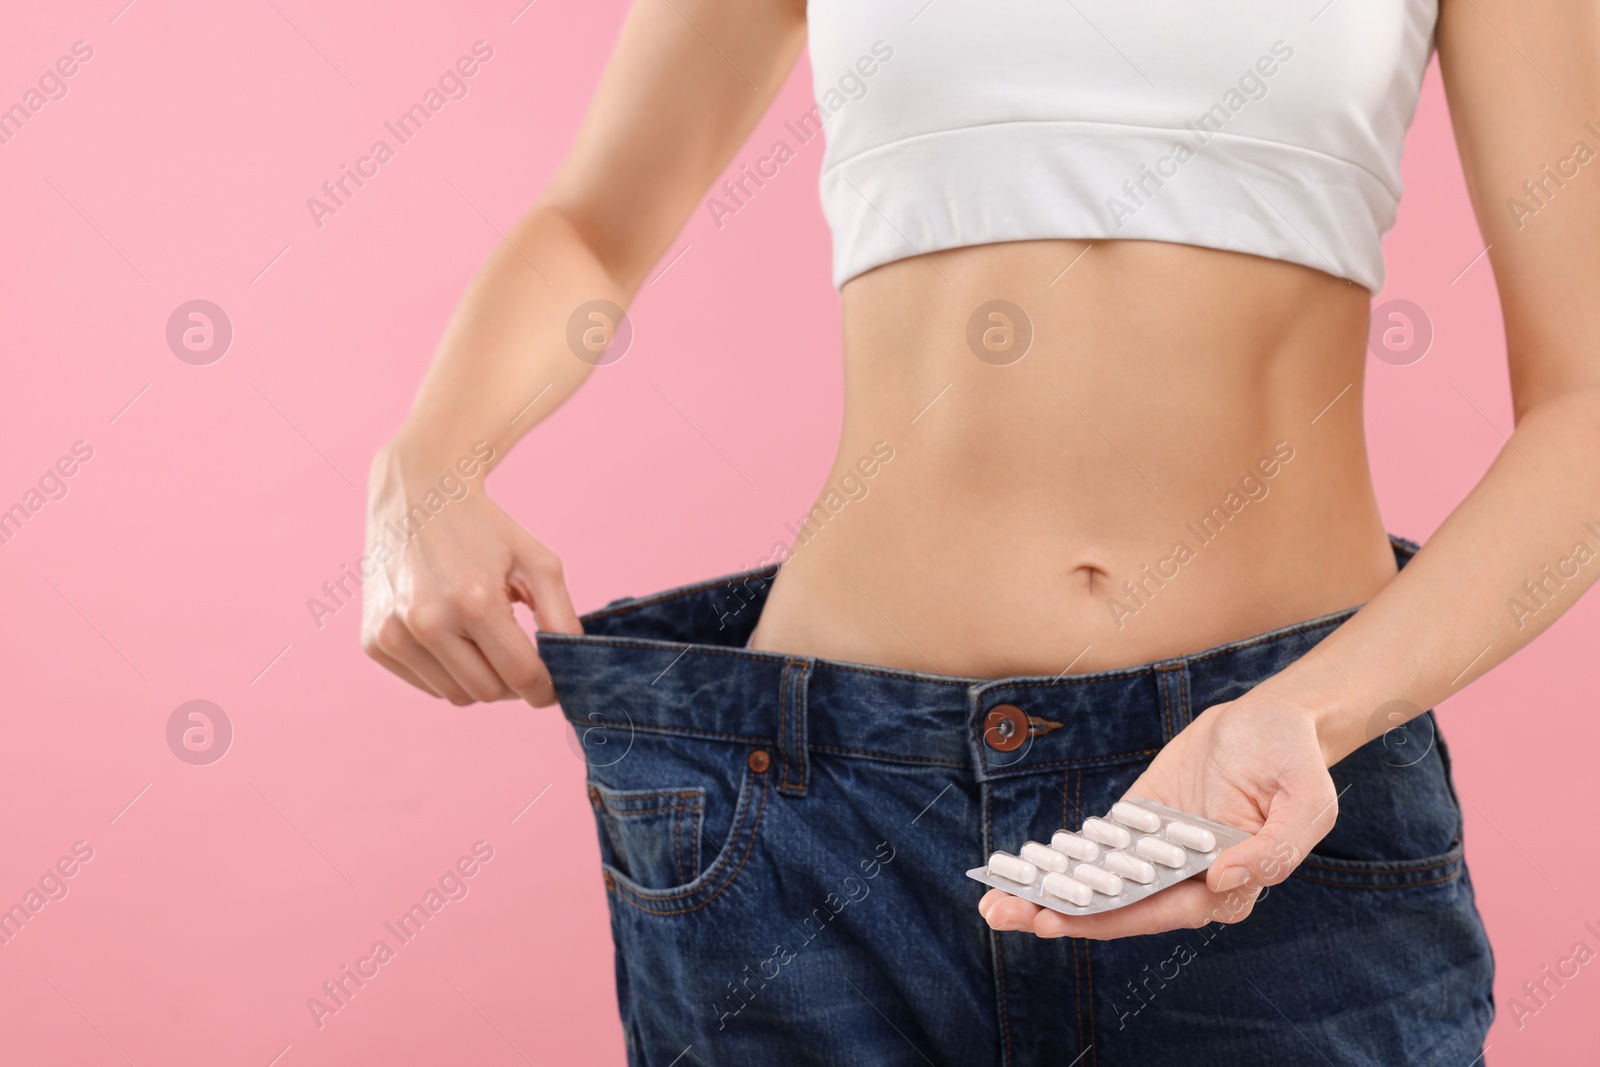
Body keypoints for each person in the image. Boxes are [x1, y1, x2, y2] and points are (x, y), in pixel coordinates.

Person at [362, 1, 1600, 1062]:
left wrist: (1314, 713)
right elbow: (594, 224)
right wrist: (429, 462)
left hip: (1274, 822)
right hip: (818, 815)